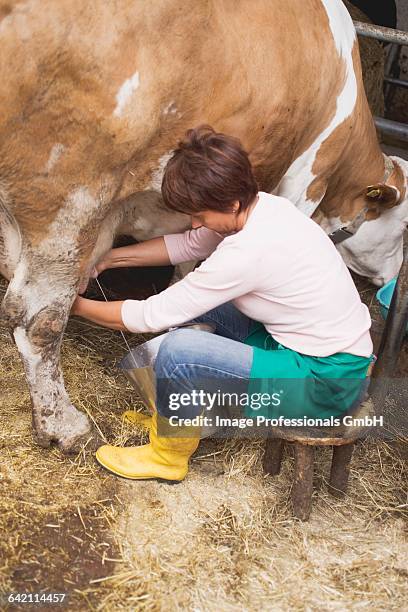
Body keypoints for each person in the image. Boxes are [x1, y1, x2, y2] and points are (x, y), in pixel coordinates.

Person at [71, 125, 374, 482]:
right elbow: (187, 245)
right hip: (306, 351)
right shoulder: (262, 207)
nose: (195, 223)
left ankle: (167, 456)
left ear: (230, 203)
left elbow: (150, 315)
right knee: (203, 308)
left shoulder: (247, 252)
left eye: (199, 215)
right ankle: (187, 413)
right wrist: (109, 258)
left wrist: (73, 306)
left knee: (179, 351)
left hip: (324, 386)